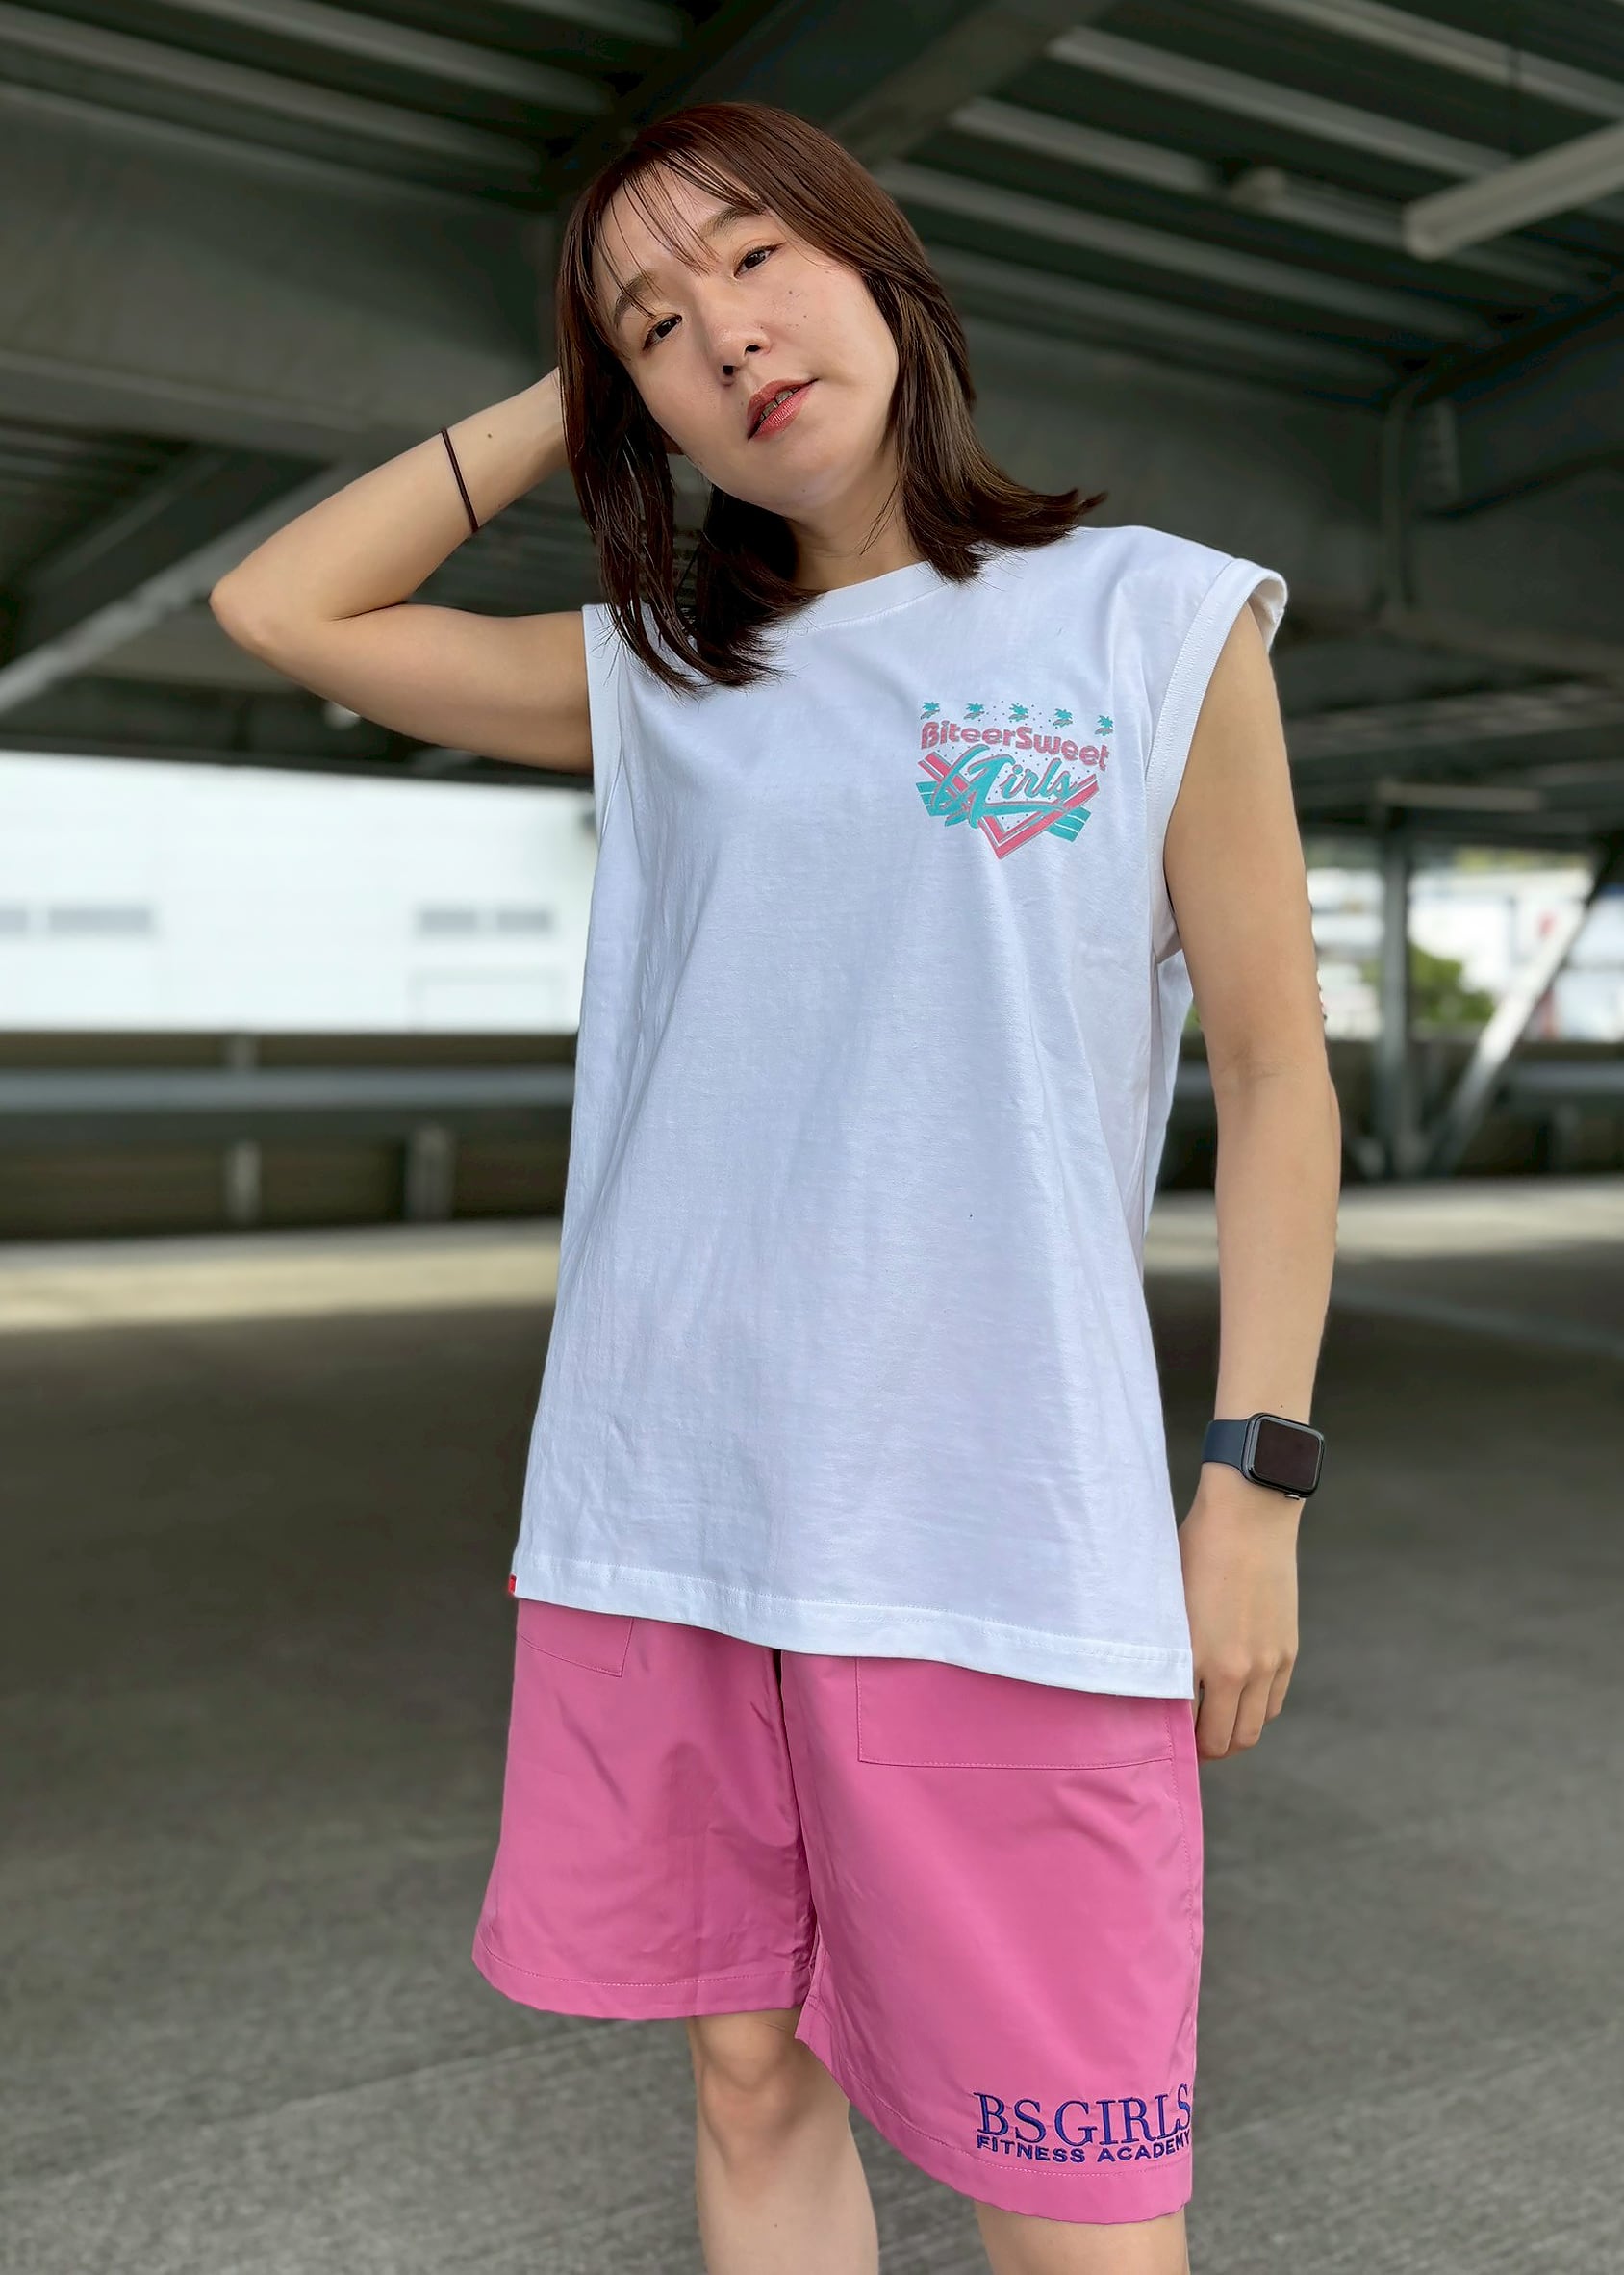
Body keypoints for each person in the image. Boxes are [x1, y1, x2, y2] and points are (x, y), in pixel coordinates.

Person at [211, 98, 1339, 2275]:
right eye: (655, 323)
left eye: (754, 258)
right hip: (673, 1503)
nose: (725, 332)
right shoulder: (660, 673)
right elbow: (282, 603)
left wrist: (1254, 1485)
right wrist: (580, 386)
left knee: (1071, 2180)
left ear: (879, 266)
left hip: (995, 1520)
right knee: (745, 2080)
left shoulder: (1151, 621)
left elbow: (1280, 1074)